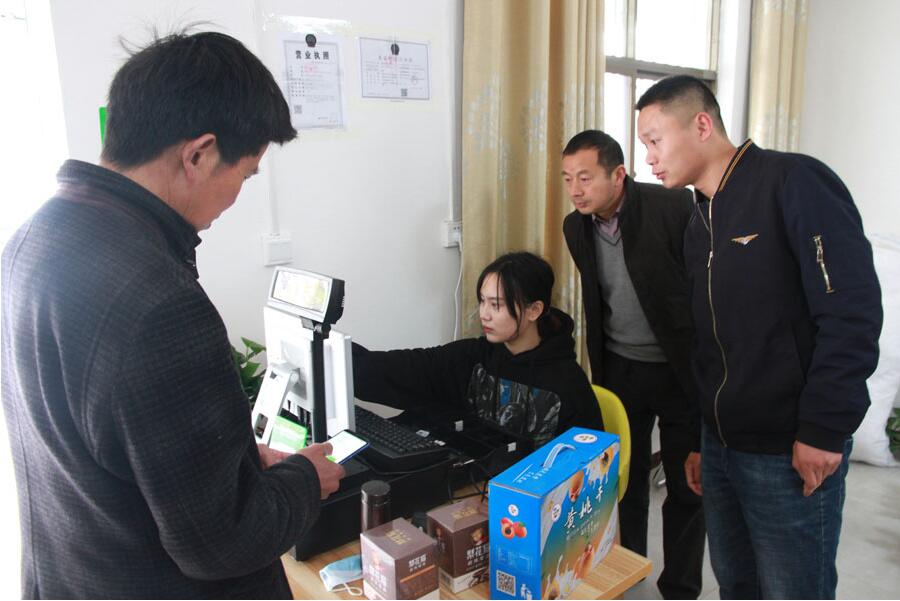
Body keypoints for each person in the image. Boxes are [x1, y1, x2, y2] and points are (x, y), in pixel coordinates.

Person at [1, 31, 345, 598]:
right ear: (199, 154)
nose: (237, 195)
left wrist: (230, 463)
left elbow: (101, 439)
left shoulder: (31, 240)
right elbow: (222, 543)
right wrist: (305, 477)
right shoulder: (160, 303)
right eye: (246, 174)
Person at [636, 75, 882, 599]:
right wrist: (702, 438)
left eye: (655, 140)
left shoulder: (793, 182)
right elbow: (706, 343)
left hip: (787, 449)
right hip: (722, 448)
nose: (649, 158)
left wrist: (823, 428)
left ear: (702, 125)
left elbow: (850, 313)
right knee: (736, 587)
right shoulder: (699, 219)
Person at [561, 130, 706, 599]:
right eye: (567, 178)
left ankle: (680, 588)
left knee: (687, 485)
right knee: (624, 481)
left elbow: (701, 285)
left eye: (585, 177)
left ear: (618, 174)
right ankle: (629, 571)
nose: (575, 189)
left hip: (679, 370)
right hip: (621, 369)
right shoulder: (575, 227)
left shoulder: (673, 206)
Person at [353, 251, 603, 448]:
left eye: (496, 305)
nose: (484, 314)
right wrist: (340, 359)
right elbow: (405, 368)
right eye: (482, 301)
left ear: (534, 310)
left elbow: (589, 462)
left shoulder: (567, 383)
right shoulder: (472, 357)